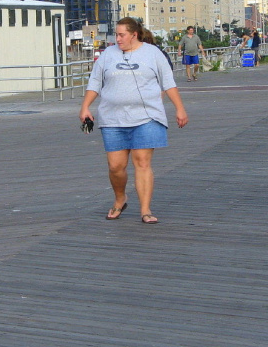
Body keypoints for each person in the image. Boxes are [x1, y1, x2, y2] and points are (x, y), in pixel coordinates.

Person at [79, 17, 188, 224]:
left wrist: (180, 109)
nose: (117, 39)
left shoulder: (152, 53)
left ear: (134, 34)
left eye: (121, 35)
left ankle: (145, 210)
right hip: (113, 118)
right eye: (116, 35)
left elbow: (168, 82)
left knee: (142, 163)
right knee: (115, 167)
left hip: (147, 117)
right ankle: (120, 198)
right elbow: (95, 82)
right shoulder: (107, 55)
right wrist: (85, 107)